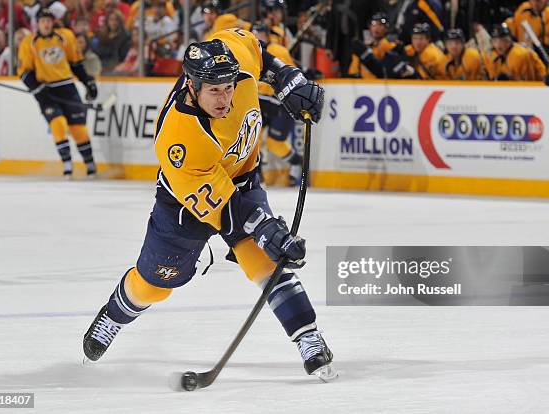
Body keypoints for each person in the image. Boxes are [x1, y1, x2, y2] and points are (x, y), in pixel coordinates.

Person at [82, 28, 336, 381]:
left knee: (264, 262)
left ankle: (308, 337)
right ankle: (114, 314)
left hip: (242, 181)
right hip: (183, 206)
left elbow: (256, 49)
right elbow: (226, 208)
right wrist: (265, 227)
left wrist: (286, 77)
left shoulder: (231, 60)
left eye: (229, 88)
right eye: (214, 91)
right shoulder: (179, 137)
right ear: (191, 86)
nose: (224, 99)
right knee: (155, 284)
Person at [17, 8, 99, 178]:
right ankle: (67, 165)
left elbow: (75, 63)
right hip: (45, 91)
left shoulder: (65, 36)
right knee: (58, 125)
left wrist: (87, 82)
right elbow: (24, 72)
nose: (46, 24)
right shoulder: (29, 43)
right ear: (37, 23)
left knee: (79, 130)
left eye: (48, 20)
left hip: (67, 88)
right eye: (42, 21)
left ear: (53, 22)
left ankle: (90, 164)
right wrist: (37, 88)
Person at [251, 22, 302, 187]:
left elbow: (291, 75)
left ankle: (297, 162)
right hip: (259, 101)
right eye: (254, 34)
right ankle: (257, 176)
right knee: (253, 140)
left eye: (260, 33)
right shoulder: (247, 52)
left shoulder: (280, 51)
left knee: (275, 143)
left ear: (267, 35)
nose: (257, 37)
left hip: (279, 103)